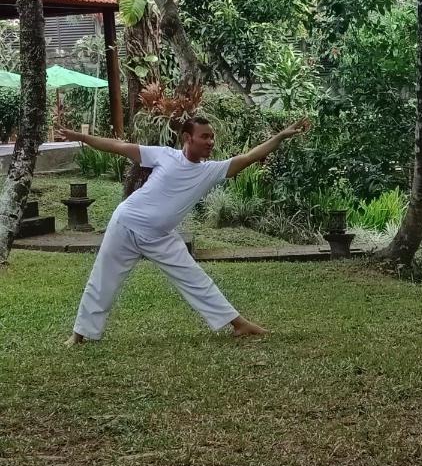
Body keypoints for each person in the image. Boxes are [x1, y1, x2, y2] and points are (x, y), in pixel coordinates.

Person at [57, 116, 310, 345]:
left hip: (160, 237)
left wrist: (279, 136)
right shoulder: (164, 155)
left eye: (212, 136)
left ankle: (240, 325)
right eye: (205, 136)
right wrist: (81, 137)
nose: (211, 141)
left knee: (195, 278)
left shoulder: (210, 171)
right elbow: (117, 146)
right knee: (103, 280)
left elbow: (249, 158)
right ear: (188, 138)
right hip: (125, 224)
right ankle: (79, 335)